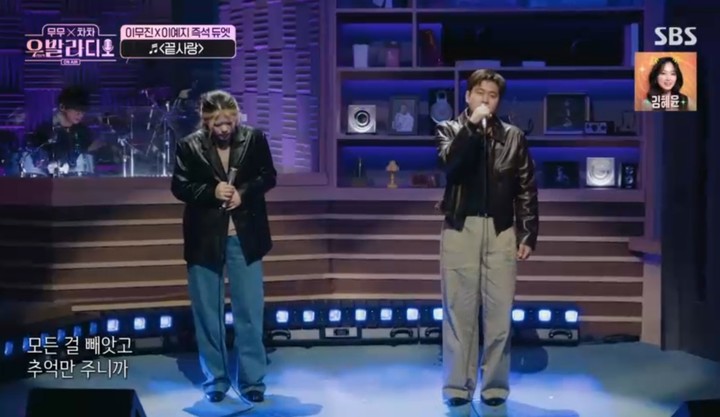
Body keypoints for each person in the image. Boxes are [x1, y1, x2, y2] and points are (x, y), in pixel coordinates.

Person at [435, 69, 539, 408]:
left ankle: (494, 387)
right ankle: (457, 387)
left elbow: (526, 189)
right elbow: (449, 165)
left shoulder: (513, 137)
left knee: (499, 316)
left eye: (492, 95)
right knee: (458, 313)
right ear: (467, 96)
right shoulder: (449, 129)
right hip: (460, 229)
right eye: (479, 93)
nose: (485, 100)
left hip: (500, 230)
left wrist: (527, 233)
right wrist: (470, 128)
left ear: (498, 102)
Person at [170, 90, 277, 404]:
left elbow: (268, 177)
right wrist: (211, 191)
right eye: (218, 123)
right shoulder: (189, 145)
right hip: (205, 238)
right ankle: (216, 379)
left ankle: (252, 381)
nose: (225, 128)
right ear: (206, 122)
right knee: (208, 313)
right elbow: (180, 186)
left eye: (229, 121)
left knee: (249, 311)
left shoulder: (254, 139)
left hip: (245, 237)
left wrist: (244, 193)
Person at [30, 86, 102, 174]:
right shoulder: (46, 130)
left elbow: (88, 155)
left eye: (83, 111)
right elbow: (37, 158)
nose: (80, 114)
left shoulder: (83, 131)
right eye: (76, 109)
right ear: (62, 107)